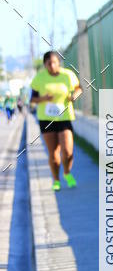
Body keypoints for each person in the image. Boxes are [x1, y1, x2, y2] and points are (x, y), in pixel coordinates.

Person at [30, 51, 82, 190]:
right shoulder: (39, 78)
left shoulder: (68, 75)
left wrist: (74, 96)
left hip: (64, 117)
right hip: (47, 119)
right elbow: (33, 99)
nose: (52, 66)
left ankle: (67, 172)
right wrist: (43, 99)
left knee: (68, 151)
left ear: (59, 62)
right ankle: (56, 180)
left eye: (54, 62)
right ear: (45, 65)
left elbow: (79, 88)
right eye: (49, 63)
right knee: (53, 154)